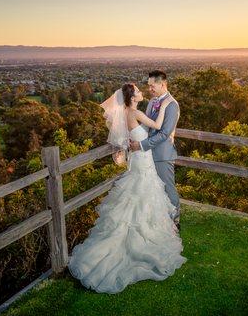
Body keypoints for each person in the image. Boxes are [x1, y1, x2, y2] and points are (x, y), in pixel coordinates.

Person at [67, 82, 187, 294]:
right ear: (132, 97)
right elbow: (159, 126)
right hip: (143, 162)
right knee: (144, 196)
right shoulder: (136, 112)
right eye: (139, 91)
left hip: (139, 160)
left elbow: (131, 137)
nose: (142, 93)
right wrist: (168, 103)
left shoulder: (124, 113)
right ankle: (140, 239)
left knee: (137, 197)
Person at [129, 70, 181, 230]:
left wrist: (142, 145)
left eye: (152, 86)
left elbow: (165, 133)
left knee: (168, 188)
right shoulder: (152, 102)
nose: (149, 88)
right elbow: (147, 125)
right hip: (149, 155)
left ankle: (176, 221)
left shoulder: (172, 104)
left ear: (162, 84)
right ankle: (160, 221)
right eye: (148, 85)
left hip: (163, 154)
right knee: (155, 190)